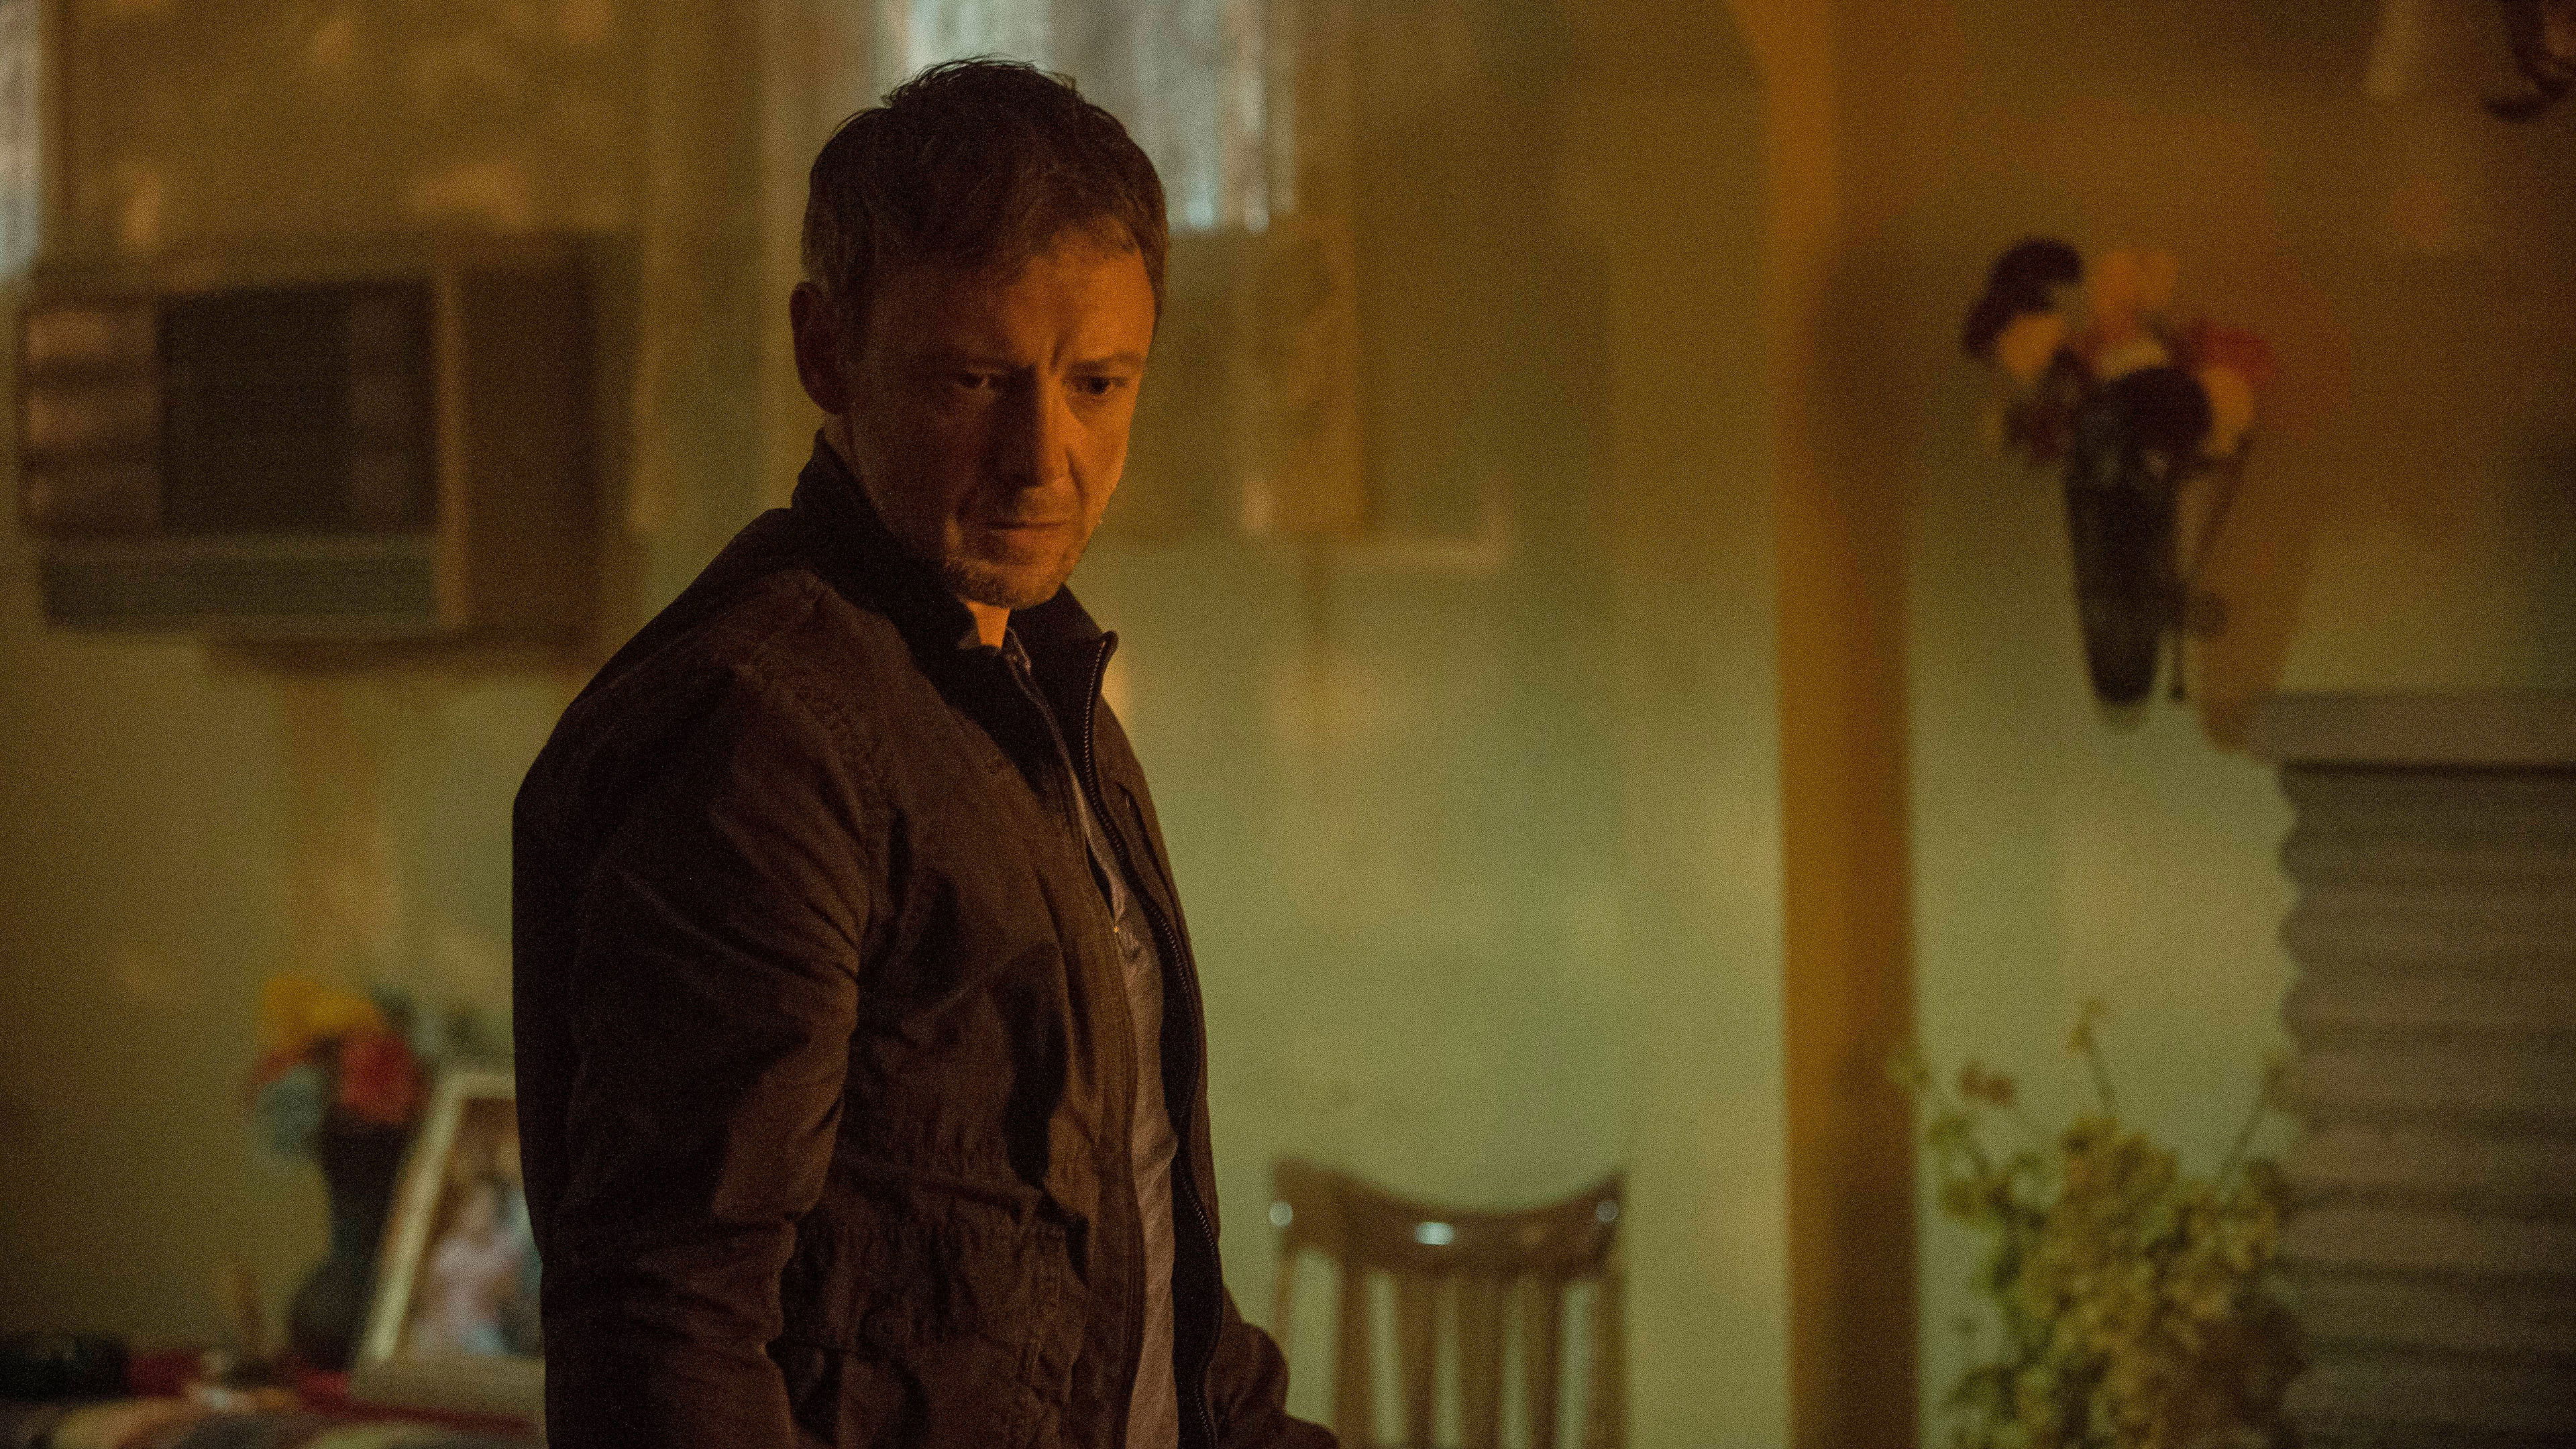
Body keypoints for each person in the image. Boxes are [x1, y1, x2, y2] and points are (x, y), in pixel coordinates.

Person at [511, 60, 1332, 1449]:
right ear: (827, 351)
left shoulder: (1038, 676)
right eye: (974, 379)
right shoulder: (763, 731)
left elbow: (1132, 1251)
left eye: (1098, 383)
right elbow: (671, 1327)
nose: (1043, 457)